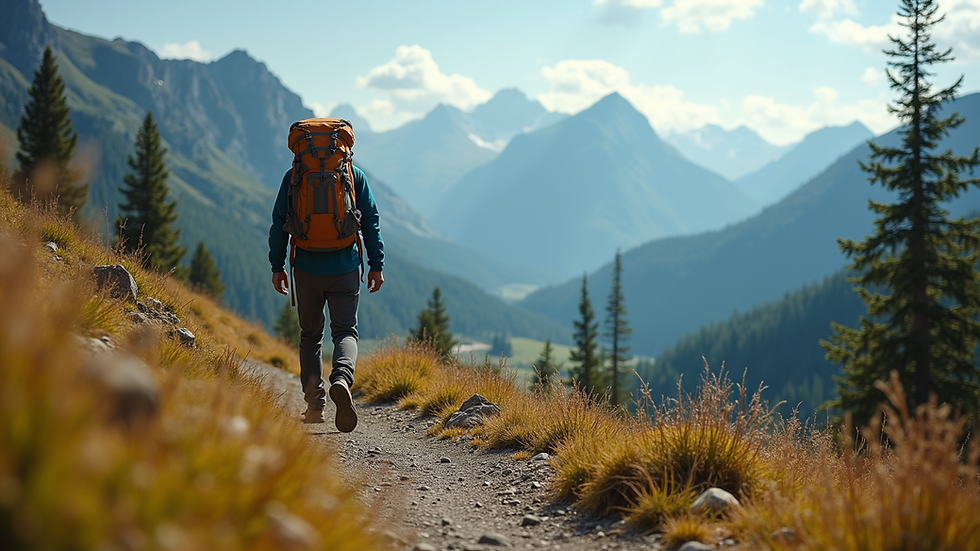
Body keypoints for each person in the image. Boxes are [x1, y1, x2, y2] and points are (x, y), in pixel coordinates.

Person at [268, 163, 384, 432]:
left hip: (306, 269)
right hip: (345, 268)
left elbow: (279, 223)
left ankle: (315, 407)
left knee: (310, 336)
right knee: (345, 332)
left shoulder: (294, 175)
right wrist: (376, 264)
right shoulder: (354, 176)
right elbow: (370, 221)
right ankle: (342, 378)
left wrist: (277, 266)